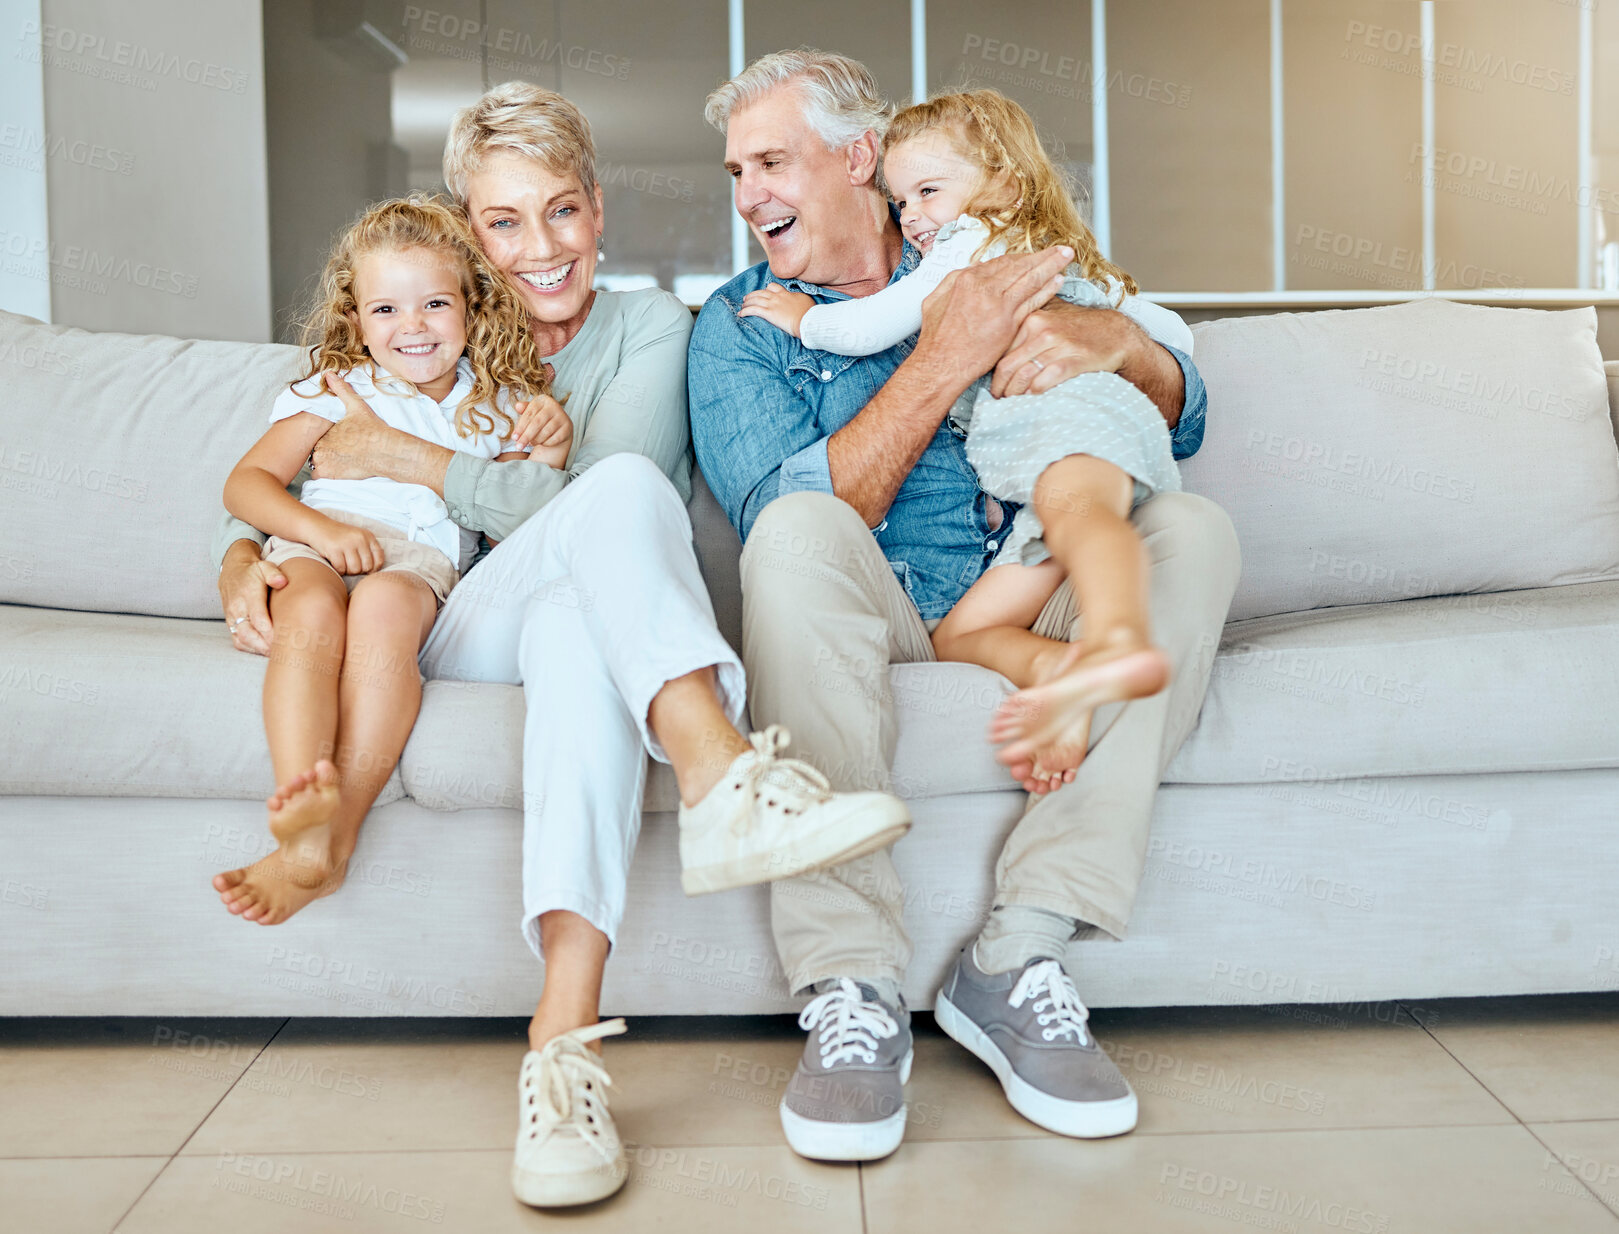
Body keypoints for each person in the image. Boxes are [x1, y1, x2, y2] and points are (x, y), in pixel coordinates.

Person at [212, 81, 907, 1208]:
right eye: (502, 222)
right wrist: (244, 558)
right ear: (464, 235)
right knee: (601, 518)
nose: (541, 249)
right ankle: (721, 766)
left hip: (558, 612)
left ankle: (563, 1048)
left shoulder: (651, 330)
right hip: (451, 621)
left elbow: (588, 508)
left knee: (596, 581)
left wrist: (417, 462)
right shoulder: (428, 335)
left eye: (562, 212)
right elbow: (281, 469)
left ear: (598, 208)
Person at [690, 50, 1240, 1160]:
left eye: (769, 162)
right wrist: (943, 359)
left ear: (858, 159)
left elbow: (1178, 421)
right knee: (797, 530)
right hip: (880, 606)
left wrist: (1125, 347)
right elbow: (795, 511)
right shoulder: (741, 324)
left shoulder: (979, 239)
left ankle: (1018, 955)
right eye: (735, 171)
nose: (747, 197)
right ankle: (851, 986)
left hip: (1017, 584)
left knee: (1191, 529)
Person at [738, 89, 1188, 791]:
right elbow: (1174, 330)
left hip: (1063, 427)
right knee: (964, 636)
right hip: (1063, 444)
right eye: (902, 199)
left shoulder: (967, 245)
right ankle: (1061, 675)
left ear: (1004, 184)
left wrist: (803, 322)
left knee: (1084, 520)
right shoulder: (1066, 257)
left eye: (927, 191)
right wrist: (1124, 336)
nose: (912, 215)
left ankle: (1116, 638)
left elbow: (869, 326)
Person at [217, 194, 558, 925]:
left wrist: (550, 442)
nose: (412, 328)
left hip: (417, 563)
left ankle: (340, 825)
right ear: (354, 321)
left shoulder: (495, 404)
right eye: (386, 311)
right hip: (318, 536)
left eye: (435, 303)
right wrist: (320, 530)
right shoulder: (333, 391)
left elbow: (526, 513)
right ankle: (303, 805)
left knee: (382, 610)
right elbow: (246, 485)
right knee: (309, 609)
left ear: (473, 307)